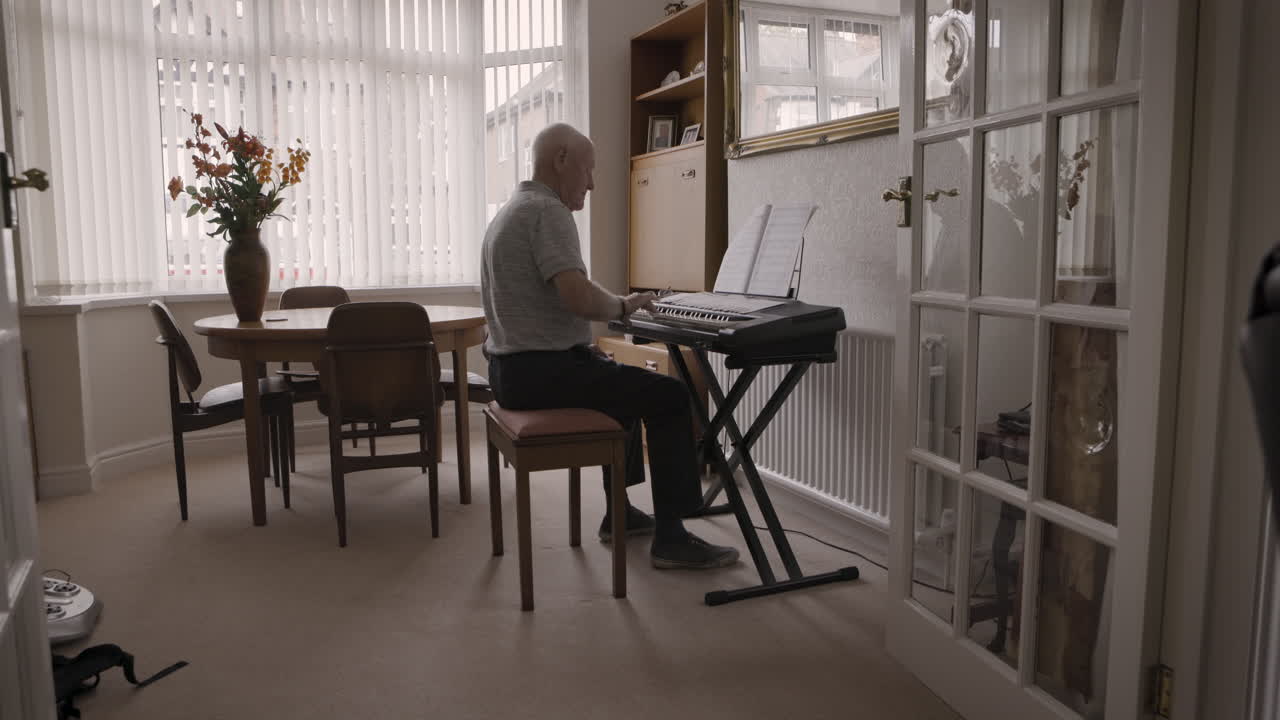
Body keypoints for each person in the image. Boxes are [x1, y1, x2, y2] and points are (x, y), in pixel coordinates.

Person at [480, 123, 739, 570]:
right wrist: (623, 305)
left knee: (614, 380)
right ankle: (673, 537)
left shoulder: (510, 211)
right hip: (539, 373)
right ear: (561, 160)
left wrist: (586, 348)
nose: (593, 183)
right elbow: (576, 296)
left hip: (510, 373)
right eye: (589, 169)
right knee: (671, 396)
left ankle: (618, 512)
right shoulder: (548, 211)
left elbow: (553, 305)